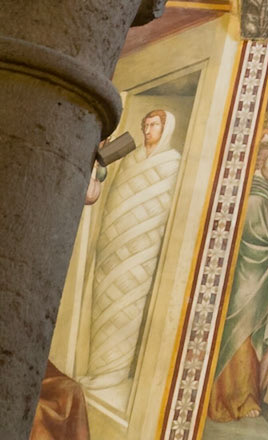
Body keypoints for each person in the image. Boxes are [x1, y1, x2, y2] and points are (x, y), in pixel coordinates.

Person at [80, 108, 182, 394]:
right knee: (104, 303)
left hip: (141, 250)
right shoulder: (133, 158)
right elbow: (115, 196)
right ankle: (98, 369)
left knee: (127, 306)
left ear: (167, 129)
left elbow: (159, 205)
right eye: (146, 124)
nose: (148, 130)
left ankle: (114, 371)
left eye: (154, 125)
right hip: (114, 244)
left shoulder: (171, 162)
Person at [207, 143, 268, 420]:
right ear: (261, 163)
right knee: (241, 336)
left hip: (256, 276)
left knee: (248, 337)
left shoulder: (263, 192)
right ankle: (236, 400)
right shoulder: (256, 197)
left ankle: (247, 397)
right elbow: (254, 239)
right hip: (249, 277)